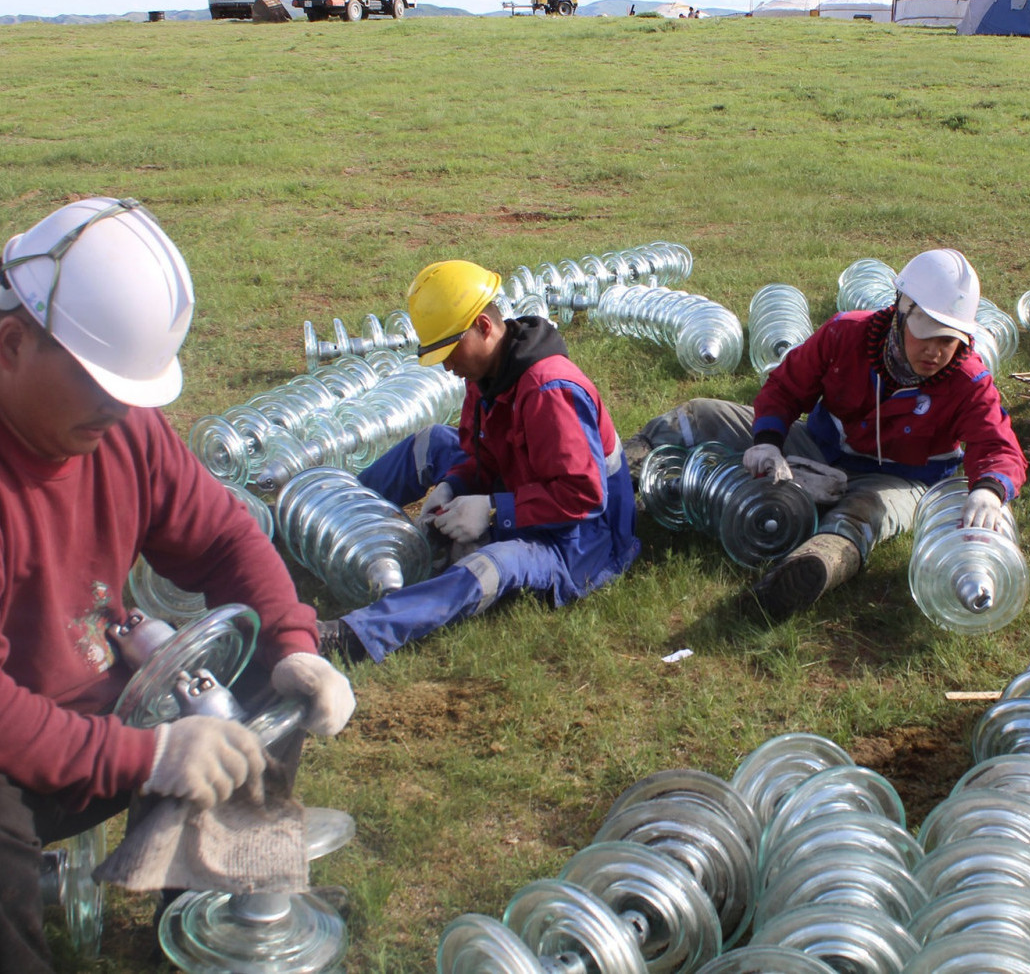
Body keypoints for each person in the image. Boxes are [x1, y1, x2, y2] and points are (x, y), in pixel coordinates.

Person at [0, 197, 355, 970]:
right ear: (12, 344)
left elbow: (225, 538)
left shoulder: (121, 428)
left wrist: (295, 646)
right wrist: (147, 759)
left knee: (260, 689)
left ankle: (219, 932)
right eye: (103, 384)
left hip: (109, 708)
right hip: (14, 756)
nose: (123, 408)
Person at [623, 248, 1027, 618]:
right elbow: (785, 386)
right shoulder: (845, 336)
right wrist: (767, 441)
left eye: (948, 340)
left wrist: (988, 489)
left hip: (902, 479)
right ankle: (624, 469)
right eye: (926, 334)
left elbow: (997, 443)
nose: (935, 352)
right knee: (705, 413)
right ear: (902, 313)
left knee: (867, 512)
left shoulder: (968, 379)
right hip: (821, 448)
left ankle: (808, 570)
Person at [323, 259, 639, 663]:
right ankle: (334, 515)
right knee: (433, 441)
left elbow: (584, 496)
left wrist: (493, 511)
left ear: (483, 327)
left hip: (582, 545)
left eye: (450, 350)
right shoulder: (486, 377)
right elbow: (480, 456)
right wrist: (453, 484)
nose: (447, 365)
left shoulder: (549, 391)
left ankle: (357, 635)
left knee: (491, 565)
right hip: (529, 497)